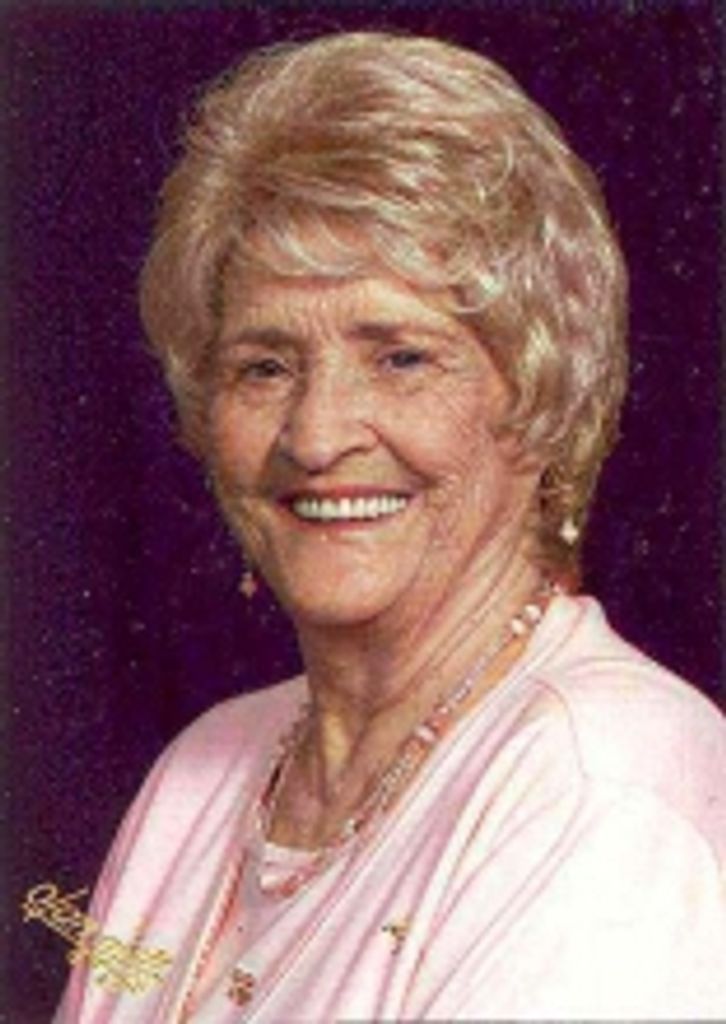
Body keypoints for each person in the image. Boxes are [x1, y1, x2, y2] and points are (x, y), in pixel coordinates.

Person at [54, 31, 726, 1022]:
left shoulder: (605, 785)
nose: (317, 436)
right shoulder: (199, 777)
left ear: (540, 393)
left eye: (401, 357)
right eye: (264, 366)